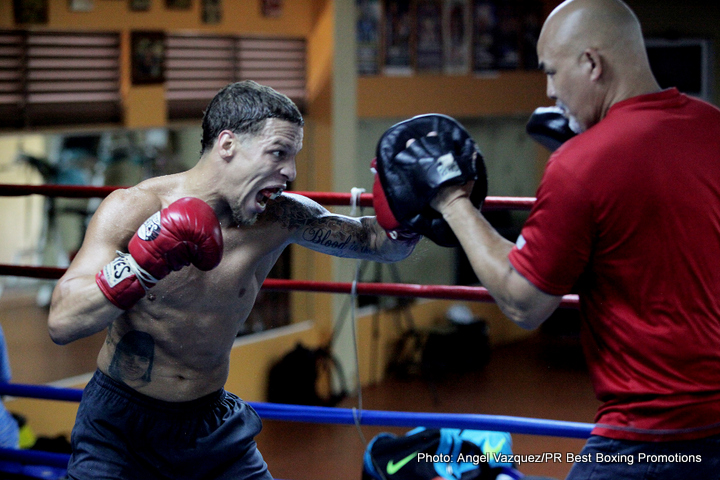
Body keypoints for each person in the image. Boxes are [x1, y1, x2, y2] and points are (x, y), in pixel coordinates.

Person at [47, 80, 419, 480]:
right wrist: (142, 266)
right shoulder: (133, 208)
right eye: (278, 154)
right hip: (121, 426)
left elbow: (381, 244)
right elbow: (62, 322)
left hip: (211, 427)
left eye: (293, 157)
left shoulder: (280, 217)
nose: (289, 172)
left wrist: (414, 202)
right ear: (227, 145)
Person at [422, 0, 720, 478]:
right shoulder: (712, 125)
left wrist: (450, 200)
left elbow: (525, 303)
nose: (548, 90)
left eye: (552, 73)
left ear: (592, 64)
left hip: (648, 439)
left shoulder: (582, 164)